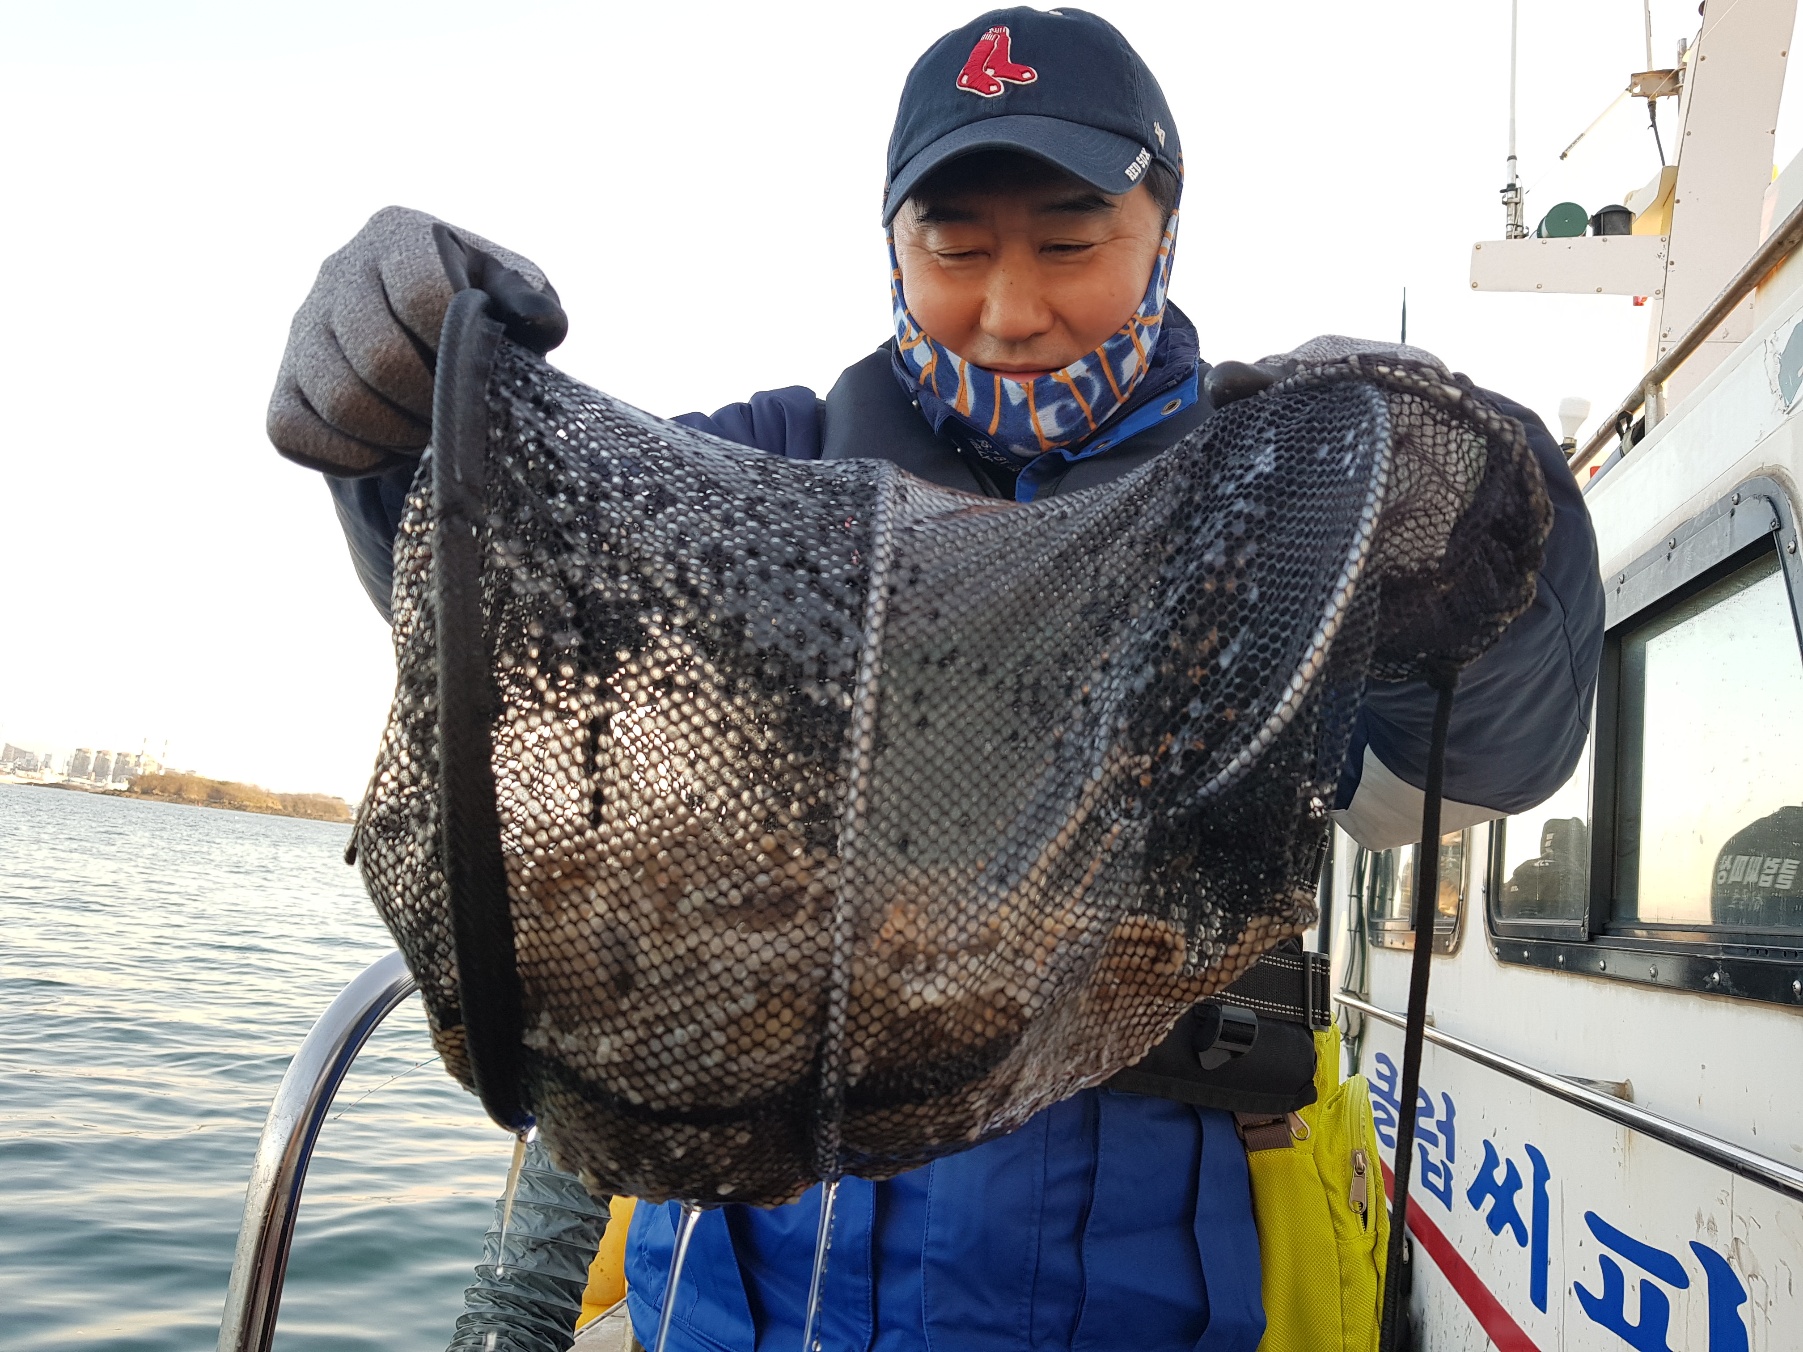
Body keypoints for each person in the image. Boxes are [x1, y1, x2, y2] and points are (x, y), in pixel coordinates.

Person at [268, 9, 1605, 1350]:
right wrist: (391, 431)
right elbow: (500, 594)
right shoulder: (773, 468)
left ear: (1166, 229)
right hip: (739, 1290)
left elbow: (1481, 764)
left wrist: (1489, 529)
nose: (1011, 311)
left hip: (1143, 1296)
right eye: (953, 249)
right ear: (893, 245)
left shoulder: (1272, 508)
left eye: (1071, 244)